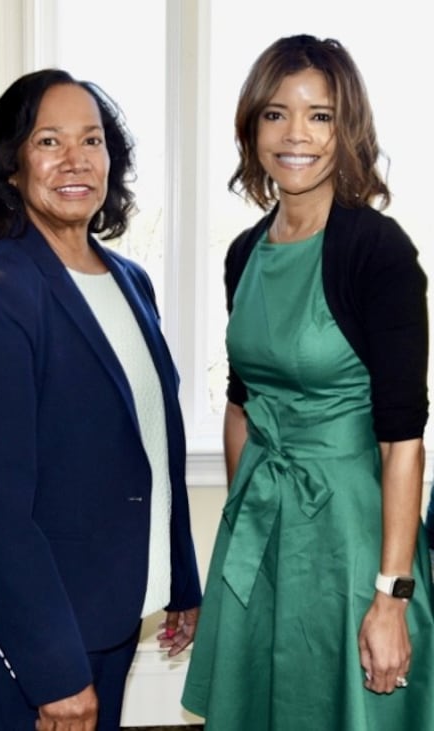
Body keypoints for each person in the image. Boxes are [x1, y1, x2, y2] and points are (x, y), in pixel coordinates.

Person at [0, 68, 202, 731]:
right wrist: (53, 669)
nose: (76, 160)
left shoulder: (131, 281)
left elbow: (152, 440)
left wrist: (179, 578)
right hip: (37, 629)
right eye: (49, 141)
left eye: (93, 140)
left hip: (113, 604)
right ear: (13, 166)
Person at [181, 34, 434, 730]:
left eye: (319, 115)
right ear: (252, 128)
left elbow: (403, 440)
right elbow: (241, 402)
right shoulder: (244, 253)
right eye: (275, 114)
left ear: (346, 128)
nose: (296, 135)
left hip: (353, 539)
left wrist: (391, 595)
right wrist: (244, 518)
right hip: (263, 533)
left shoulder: (378, 252)